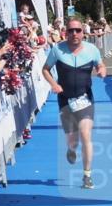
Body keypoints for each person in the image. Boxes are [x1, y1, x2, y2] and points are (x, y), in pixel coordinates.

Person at [41, 18, 106, 190]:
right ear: (65, 33)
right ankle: (71, 149)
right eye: (71, 30)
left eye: (78, 30)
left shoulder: (92, 50)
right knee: (73, 140)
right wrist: (54, 84)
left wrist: (101, 70)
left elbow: (100, 65)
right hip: (65, 100)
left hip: (85, 99)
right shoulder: (57, 50)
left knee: (86, 135)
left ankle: (87, 176)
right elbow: (45, 69)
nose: (74, 34)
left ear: (83, 33)